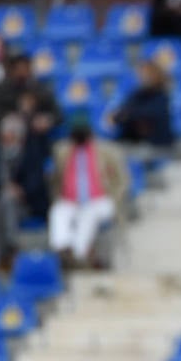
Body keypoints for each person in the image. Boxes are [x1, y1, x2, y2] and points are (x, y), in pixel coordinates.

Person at [48, 115, 130, 270]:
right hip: (70, 200)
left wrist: (115, 198)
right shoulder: (63, 151)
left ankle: (79, 253)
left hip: (100, 199)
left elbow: (122, 179)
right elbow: (56, 179)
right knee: (58, 212)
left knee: (88, 215)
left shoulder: (106, 151)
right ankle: (63, 247)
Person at [0, 112, 50, 269]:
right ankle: (7, 250)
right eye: (4, 135)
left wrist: (21, 190)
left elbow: (37, 183)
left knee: (7, 200)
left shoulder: (31, 153)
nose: (6, 139)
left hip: (26, 204)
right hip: (2, 200)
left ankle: (6, 252)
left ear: (18, 136)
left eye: (10, 135)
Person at [112, 59, 174, 148]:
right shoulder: (136, 94)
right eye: (141, 74)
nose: (143, 77)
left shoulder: (162, 96)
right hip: (132, 144)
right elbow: (118, 115)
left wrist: (130, 114)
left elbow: (151, 113)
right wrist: (127, 115)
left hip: (158, 146)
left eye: (147, 74)